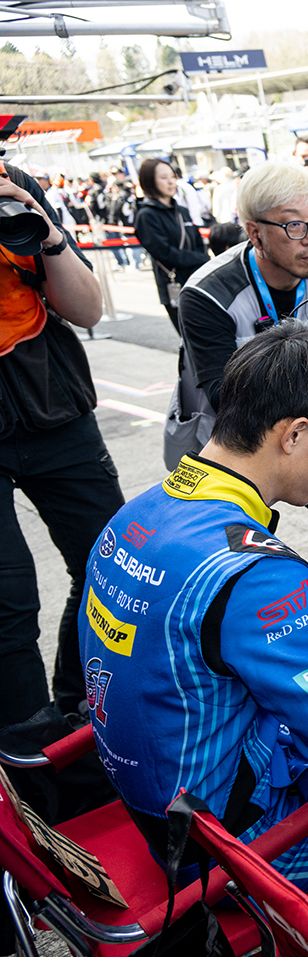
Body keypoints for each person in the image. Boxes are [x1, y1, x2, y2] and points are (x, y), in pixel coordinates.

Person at [79, 323, 308, 888]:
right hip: (232, 850)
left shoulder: (138, 513)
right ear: (296, 433)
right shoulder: (258, 571)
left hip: (162, 805)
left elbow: (198, 647)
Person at [173, 161, 308, 589]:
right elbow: (223, 394)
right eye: (293, 227)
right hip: (234, 444)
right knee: (232, 566)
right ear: (255, 233)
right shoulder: (206, 293)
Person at [0, 158, 114, 739]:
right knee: (7, 598)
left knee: (108, 564)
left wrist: (43, 230)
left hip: (50, 399)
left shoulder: (12, 183)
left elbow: (88, 308)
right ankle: (30, 754)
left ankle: (83, 709)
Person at [134, 156, 210, 333]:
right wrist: (202, 258)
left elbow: (198, 241)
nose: (170, 182)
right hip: (175, 283)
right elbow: (165, 253)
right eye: (163, 177)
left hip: (199, 279)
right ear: (149, 181)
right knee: (190, 338)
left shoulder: (181, 211)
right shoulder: (146, 215)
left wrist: (202, 258)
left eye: (172, 176)